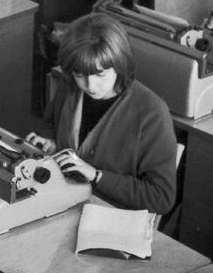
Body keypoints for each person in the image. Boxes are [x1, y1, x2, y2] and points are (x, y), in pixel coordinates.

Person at [39, 12, 178, 215]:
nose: (90, 86)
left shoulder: (152, 113)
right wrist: (49, 142)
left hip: (111, 216)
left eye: (100, 74)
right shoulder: (70, 86)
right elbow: (50, 124)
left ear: (120, 65)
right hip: (64, 202)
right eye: (80, 74)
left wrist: (97, 176)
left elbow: (161, 198)